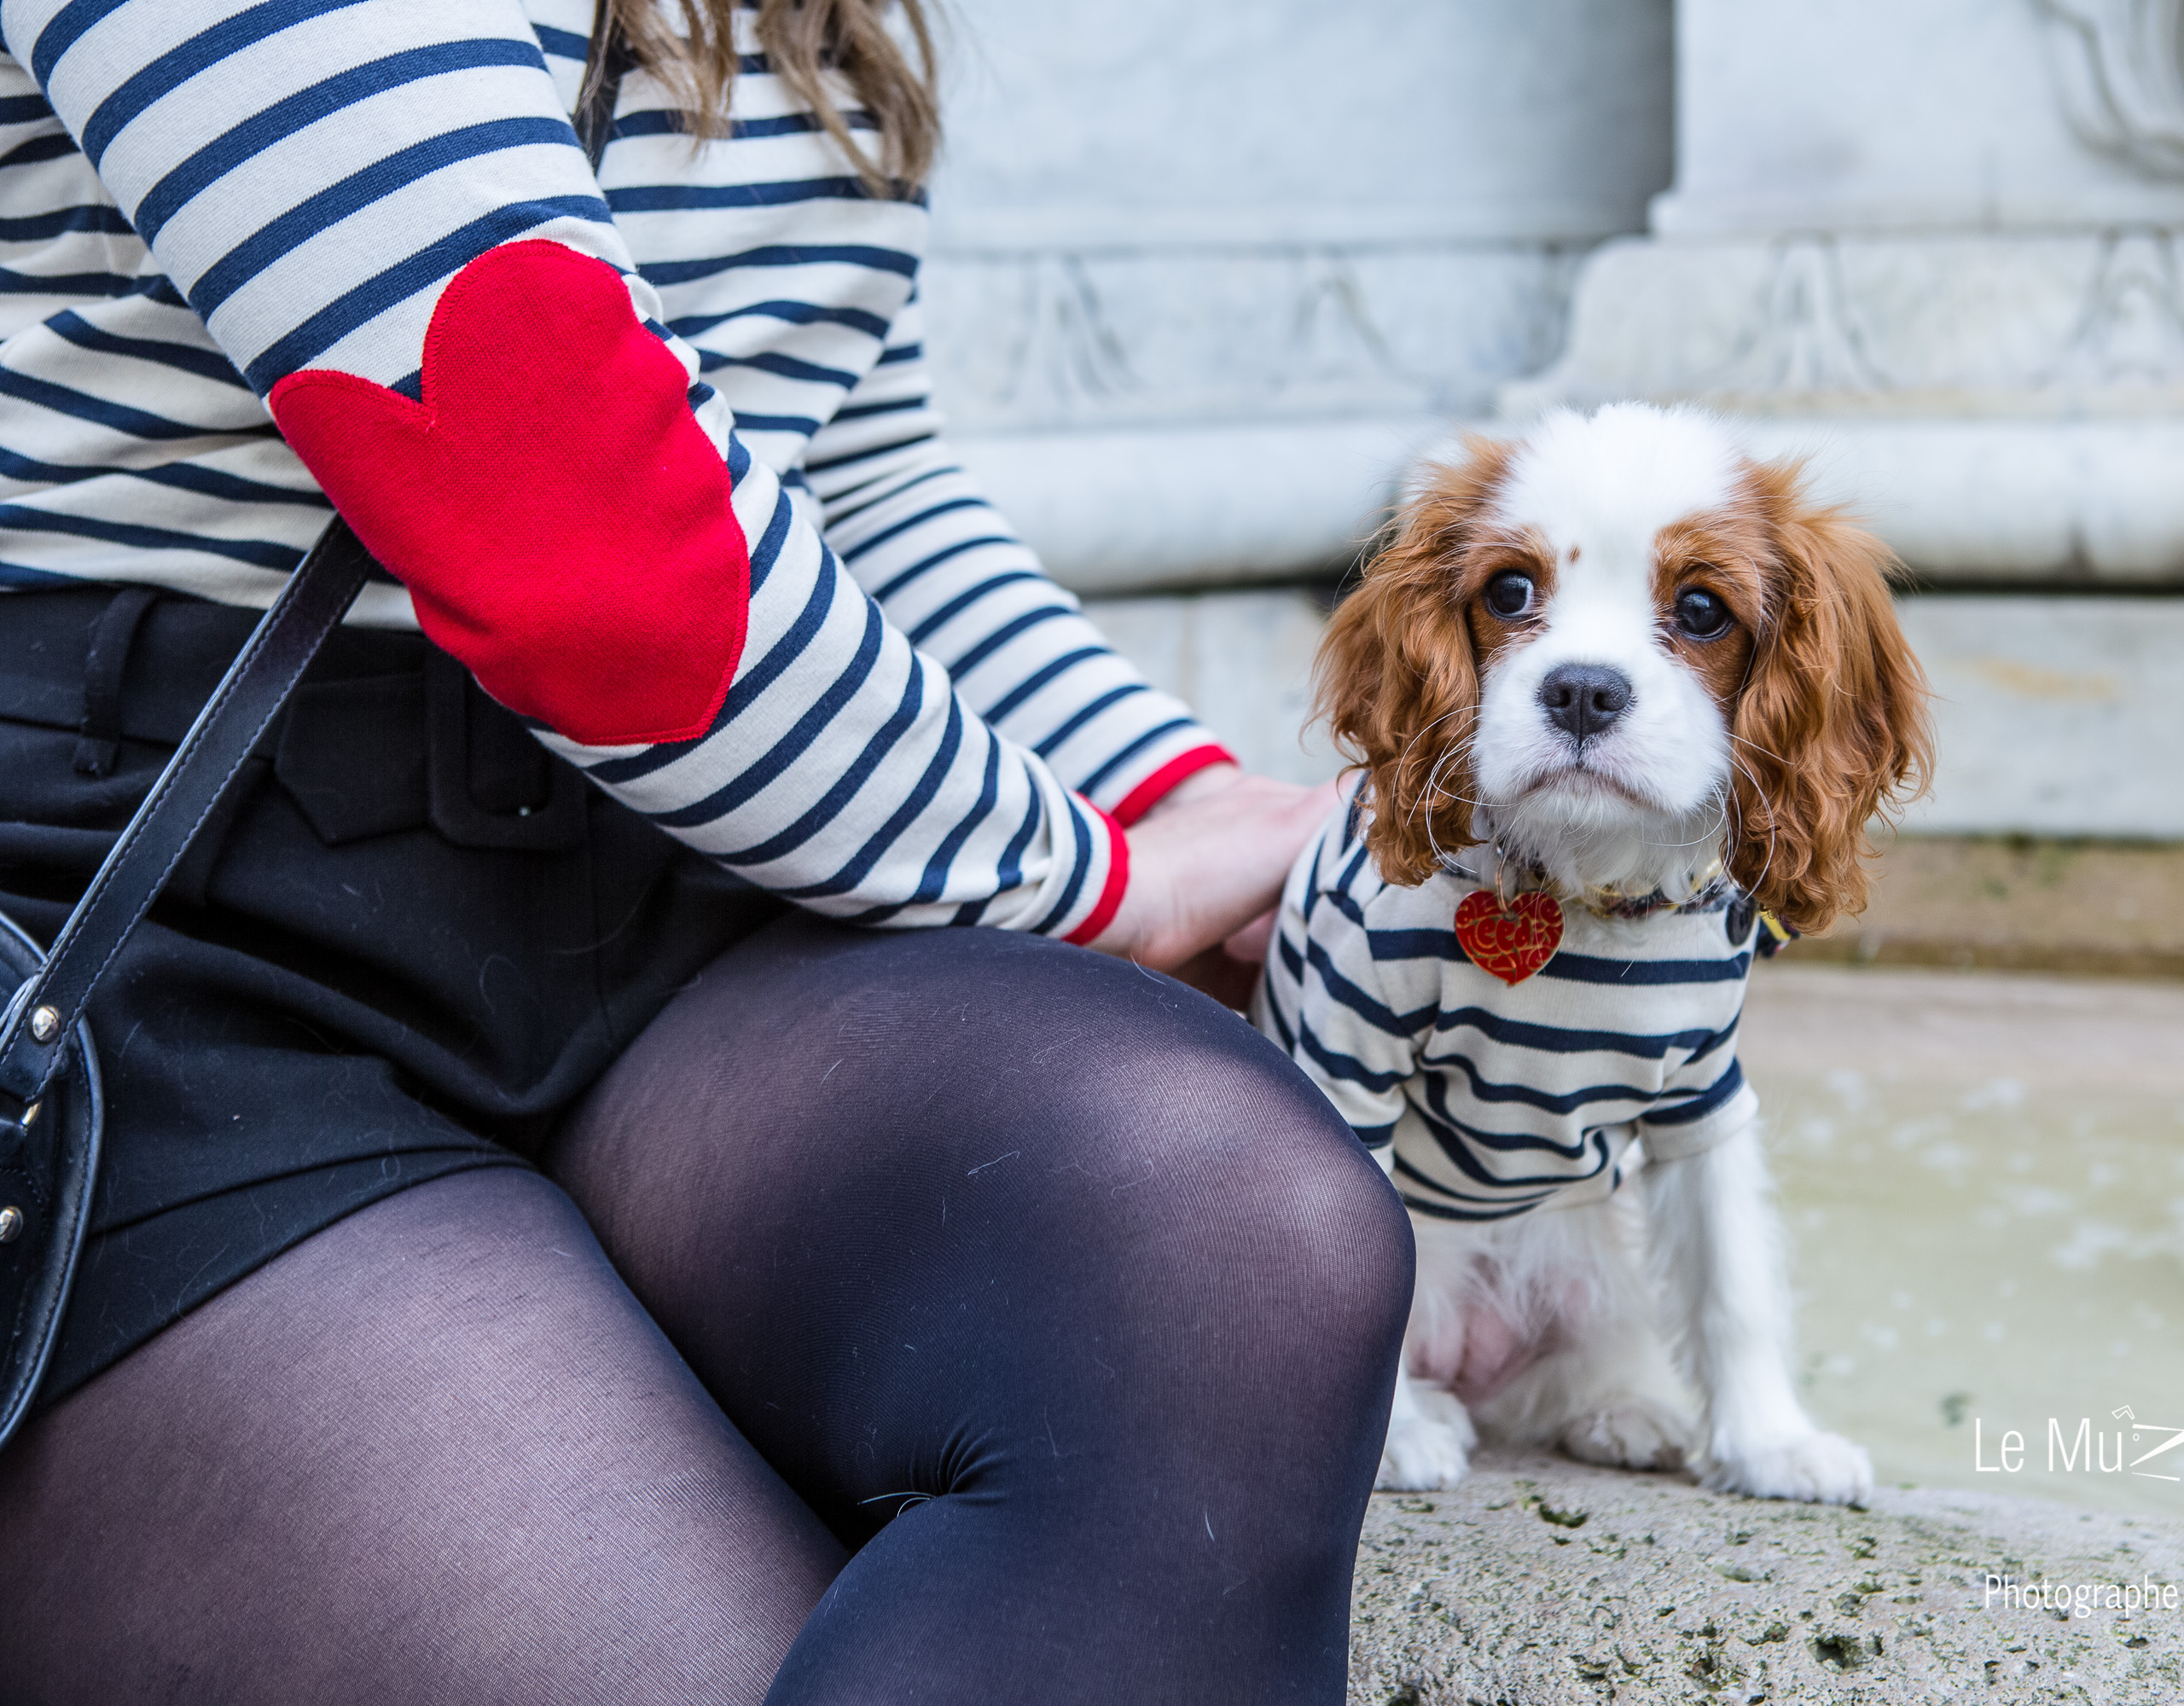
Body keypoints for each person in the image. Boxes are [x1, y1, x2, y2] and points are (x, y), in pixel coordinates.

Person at [0, 2, 1411, 1700]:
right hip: (156, 921)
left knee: (1233, 1235)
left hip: (681, 871)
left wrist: (1174, 794)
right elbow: (577, 527)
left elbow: (852, 475)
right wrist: (1096, 881)